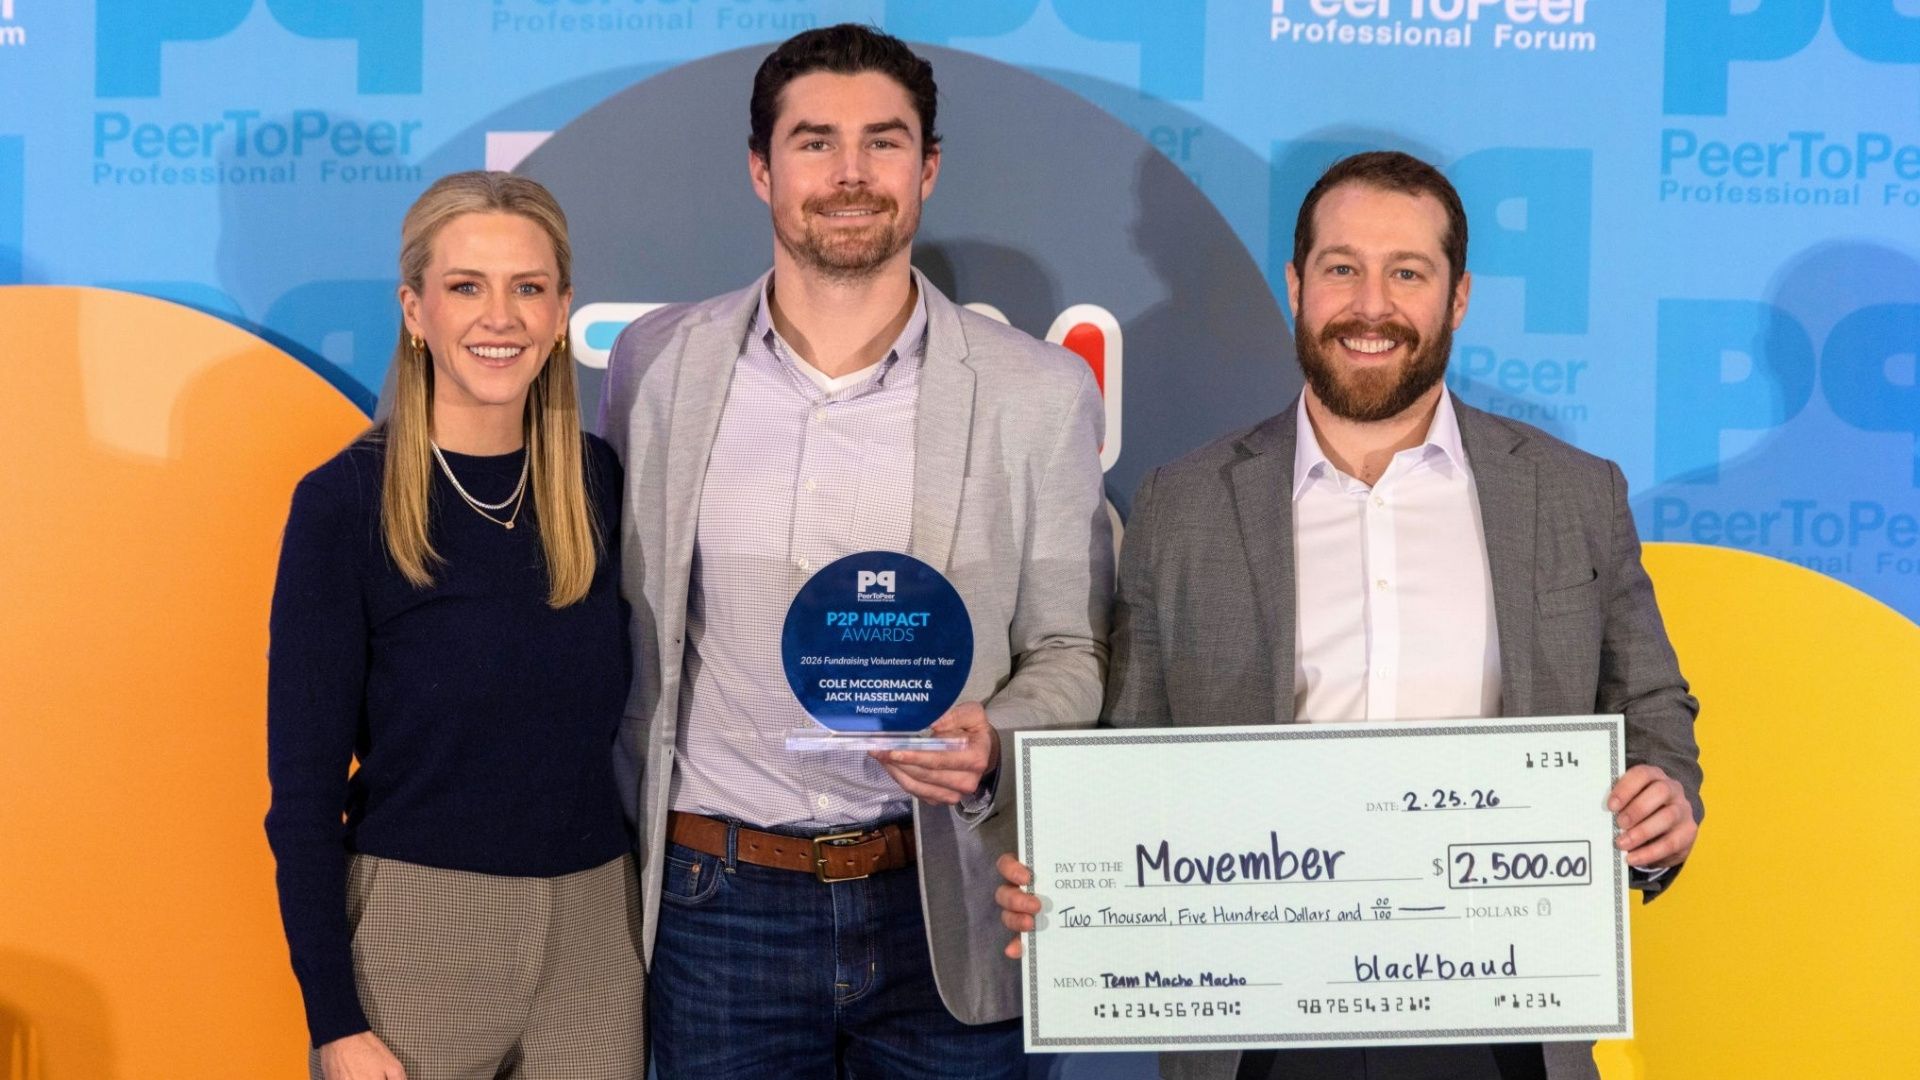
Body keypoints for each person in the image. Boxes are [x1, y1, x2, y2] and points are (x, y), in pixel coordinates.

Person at [994, 151, 1704, 1080]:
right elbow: (1131, 753)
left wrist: (1665, 800)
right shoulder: (1185, 503)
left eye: (1407, 273)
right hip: (1256, 1019)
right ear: (1297, 284)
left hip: (1502, 1012)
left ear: (1457, 298)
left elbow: (1652, 707)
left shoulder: (1573, 495)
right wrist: (1070, 870)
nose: (1371, 305)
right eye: (1341, 269)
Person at [598, 23, 1114, 1079]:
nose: (849, 174)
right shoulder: (658, 366)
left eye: (883, 142)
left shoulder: (1037, 391)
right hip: (715, 905)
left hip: (944, 905)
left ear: (926, 168)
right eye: (814, 141)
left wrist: (995, 735)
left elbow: (1071, 652)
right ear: (761, 168)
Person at [266, 171, 642, 1080]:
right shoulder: (343, 502)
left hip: (596, 936)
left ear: (562, 315)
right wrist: (334, 1020)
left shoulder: (599, 484)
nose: (499, 317)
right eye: (466, 287)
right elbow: (304, 795)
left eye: (528, 288)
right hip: (414, 938)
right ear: (414, 310)